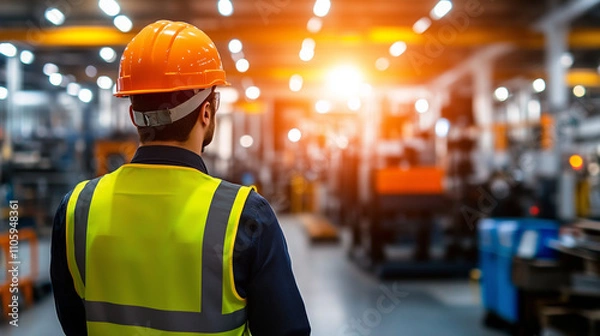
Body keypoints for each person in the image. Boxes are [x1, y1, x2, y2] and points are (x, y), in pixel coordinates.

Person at [51, 20, 311, 336]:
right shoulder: (245, 216)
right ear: (206, 112)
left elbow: (74, 323)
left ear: (134, 116)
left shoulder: (77, 209)